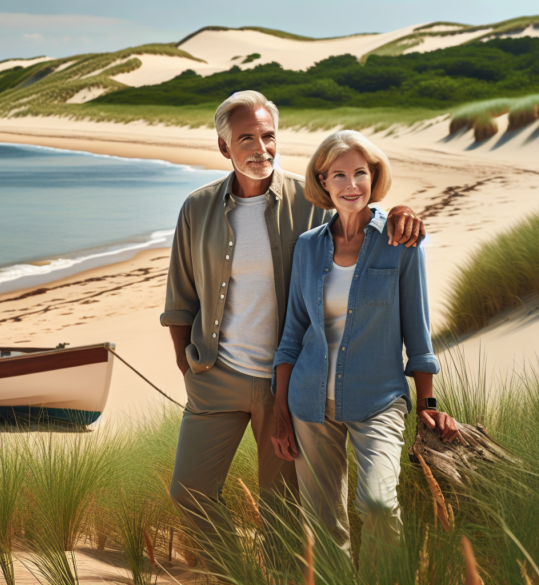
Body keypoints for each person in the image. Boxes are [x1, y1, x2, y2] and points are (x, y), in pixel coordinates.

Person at [160, 91, 426, 549]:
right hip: (215, 377)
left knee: (281, 516)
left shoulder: (310, 203)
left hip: (287, 384)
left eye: (268, 136)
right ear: (225, 147)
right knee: (189, 493)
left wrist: (400, 213)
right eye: (246, 138)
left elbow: (357, 209)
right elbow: (180, 302)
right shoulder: (196, 209)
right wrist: (190, 370)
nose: (260, 148)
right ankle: (235, 575)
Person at [270, 130, 458, 565]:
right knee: (322, 524)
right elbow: (293, 334)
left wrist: (428, 401)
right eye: (339, 175)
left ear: (374, 177)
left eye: (360, 173)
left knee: (378, 504)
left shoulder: (401, 242)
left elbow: (418, 331)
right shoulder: (307, 247)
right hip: (309, 403)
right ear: (323, 180)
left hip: (379, 400)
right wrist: (281, 411)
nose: (351, 184)